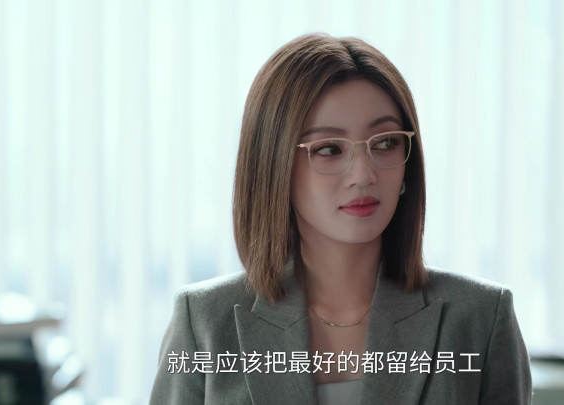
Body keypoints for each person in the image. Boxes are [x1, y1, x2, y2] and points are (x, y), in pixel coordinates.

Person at [149, 33, 532, 404]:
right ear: (274, 165)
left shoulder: (480, 317)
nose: (363, 174)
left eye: (386, 143)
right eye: (329, 149)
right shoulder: (204, 323)